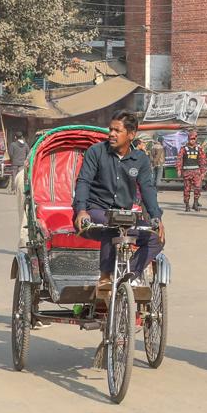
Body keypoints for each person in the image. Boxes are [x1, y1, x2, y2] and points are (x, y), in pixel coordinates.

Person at [73, 112, 166, 310]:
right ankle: (105, 276)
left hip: (122, 216)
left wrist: (156, 218)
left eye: (118, 130)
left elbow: (147, 188)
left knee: (155, 239)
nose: (112, 134)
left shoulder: (140, 159)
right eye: (111, 129)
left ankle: (126, 276)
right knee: (113, 225)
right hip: (95, 213)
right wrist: (81, 210)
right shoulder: (96, 152)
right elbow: (83, 182)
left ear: (131, 135)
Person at [179, 131, 207, 211]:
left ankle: (195, 203)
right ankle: (187, 205)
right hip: (186, 172)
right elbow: (179, 159)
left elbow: (203, 161)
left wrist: (203, 172)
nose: (192, 140)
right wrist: (178, 169)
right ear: (188, 139)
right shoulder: (184, 149)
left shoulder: (199, 149)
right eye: (191, 139)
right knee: (187, 189)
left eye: (194, 139)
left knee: (198, 188)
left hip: (196, 172)